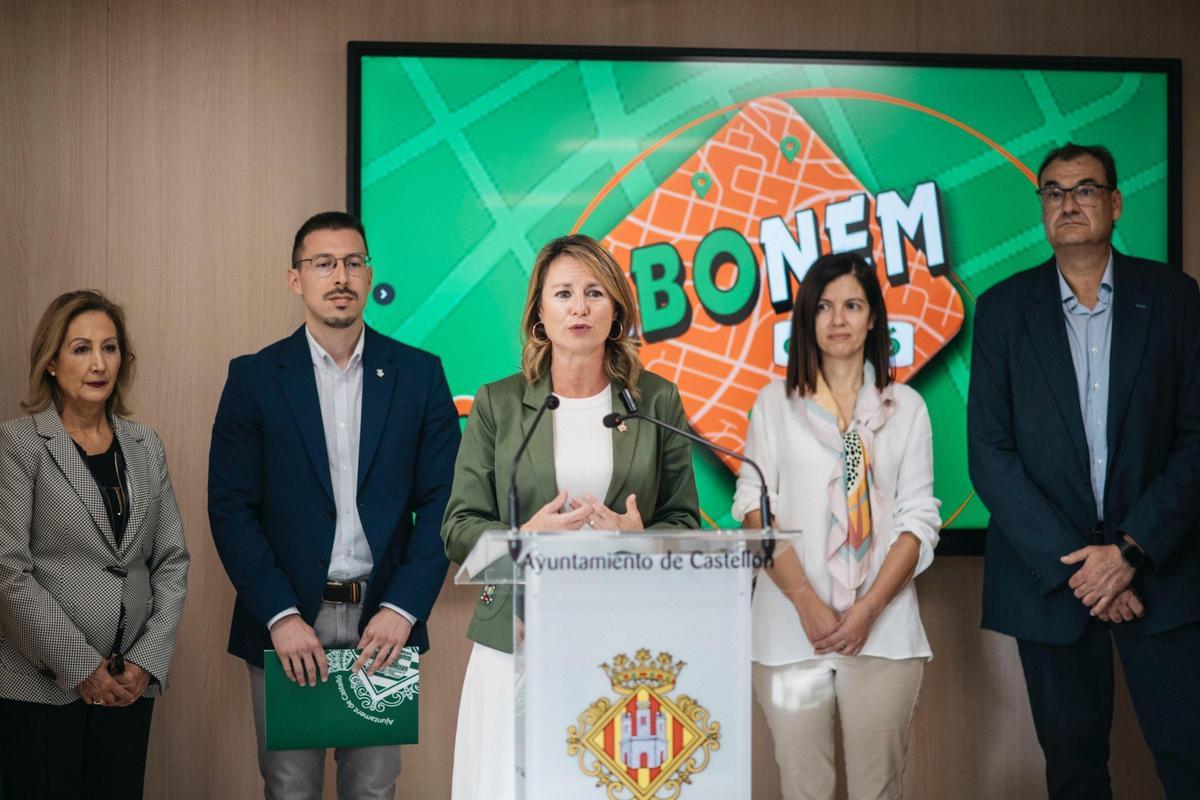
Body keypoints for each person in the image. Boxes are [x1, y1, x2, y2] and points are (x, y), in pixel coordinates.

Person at [968, 143, 1200, 798]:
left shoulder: (1177, 299)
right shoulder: (1004, 310)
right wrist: (1088, 571)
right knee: (1073, 776)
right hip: (1052, 586)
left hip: (1164, 574)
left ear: (1116, 203)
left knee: (1190, 761)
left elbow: (1195, 439)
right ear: (1041, 207)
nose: (1068, 203)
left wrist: (1130, 552)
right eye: (1053, 191)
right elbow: (990, 452)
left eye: (1086, 188)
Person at [207, 211, 459, 800]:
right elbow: (230, 508)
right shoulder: (254, 379)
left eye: (352, 262)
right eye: (323, 263)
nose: (339, 275)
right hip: (291, 621)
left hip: (383, 622)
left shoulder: (419, 376)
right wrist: (279, 616)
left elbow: (444, 498)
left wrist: (403, 608)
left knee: (374, 788)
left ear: (369, 275)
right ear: (296, 279)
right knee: (289, 787)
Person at [441, 234, 700, 800]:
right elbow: (458, 527)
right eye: (562, 294)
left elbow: (685, 523)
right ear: (540, 312)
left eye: (593, 293)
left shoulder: (655, 401)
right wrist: (525, 536)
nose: (578, 307)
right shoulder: (499, 404)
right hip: (518, 632)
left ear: (617, 311)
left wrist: (640, 538)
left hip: (624, 636)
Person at [732, 252, 941, 800]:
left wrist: (866, 611)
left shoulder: (907, 408)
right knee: (805, 789)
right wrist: (806, 602)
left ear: (874, 317)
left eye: (852, 305)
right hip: (788, 632)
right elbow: (756, 508)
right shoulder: (773, 405)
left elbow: (918, 518)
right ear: (806, 319)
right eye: (823, 307)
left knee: (879, 790)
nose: (838, 319)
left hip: (884, 631)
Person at [0, 290, 190, 799]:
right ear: (51, 362)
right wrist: (80, 666)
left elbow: (172, 560)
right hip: (41, 688)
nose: (98, 363)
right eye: (81, 348)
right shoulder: (19, 443)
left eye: (110, 348)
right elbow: (8, 573)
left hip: (128, 686)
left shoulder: (145, 445)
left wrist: (147, 659)